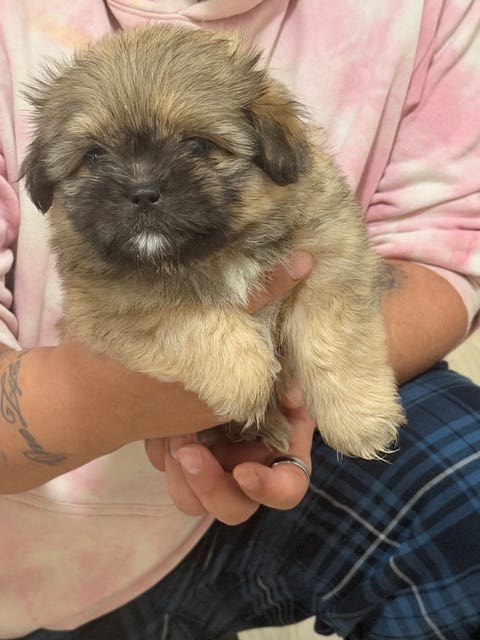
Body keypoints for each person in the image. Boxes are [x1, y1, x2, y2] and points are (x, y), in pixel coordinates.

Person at [0, 1, 479, 638]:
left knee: (463, 494)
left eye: (200, 147)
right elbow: (107, 321)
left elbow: (435, 245)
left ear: (272, 147)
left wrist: (321, 373)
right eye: (93, 159)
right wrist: (132, 383)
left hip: (298, 462)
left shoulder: (424, 13)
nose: (143, 185)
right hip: (54, 530)